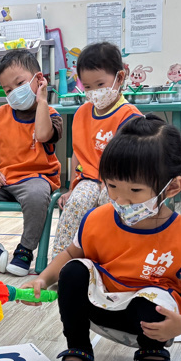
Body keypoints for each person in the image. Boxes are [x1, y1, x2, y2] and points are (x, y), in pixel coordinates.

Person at [21, 119, 181, 361]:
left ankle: (152, 351)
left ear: (171, 187)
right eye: (112, 186)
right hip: (99, 307)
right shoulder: (96, 219)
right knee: (74, 270)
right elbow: (70, 254)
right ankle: (78, 349)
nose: (121, 200)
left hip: (151, 321)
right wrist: (42, 279)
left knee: (154, 298)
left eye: (135, 190)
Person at [0, 49, 62, 276]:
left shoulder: (51, 115)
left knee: (37, 198)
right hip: (4, 178)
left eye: (20, 84)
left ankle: (25, 250)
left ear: (39, 79)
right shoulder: (0, 114)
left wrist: (42, 100)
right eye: (8, 90)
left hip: (36, 178)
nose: (15, 92)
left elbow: (43, 134)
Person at [51, 42, 151, 256]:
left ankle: (112, 257)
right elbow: (78, 153)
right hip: (88, 179)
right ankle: (60, 260)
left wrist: (112, 185)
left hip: (119, 182)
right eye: (87, 87)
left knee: (111, 204)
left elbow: (132, 162)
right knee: (76, 203)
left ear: (120, 78)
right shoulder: (82, 114)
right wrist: (71, 188)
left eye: (100, 84)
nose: (94, 92)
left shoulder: (130, 116)